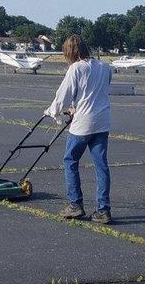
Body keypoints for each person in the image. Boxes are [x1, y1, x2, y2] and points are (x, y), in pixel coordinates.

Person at [44, 35, 112, 224]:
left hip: (83, 124)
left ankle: (75, 204)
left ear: (69, 52)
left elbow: (62, 95)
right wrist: (76, 105)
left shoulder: (76, 68)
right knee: (101, 165)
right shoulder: (105, 67)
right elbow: (96, 92)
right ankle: (103, 210)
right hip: (102, 122)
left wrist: (52, 111)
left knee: (70, 160)